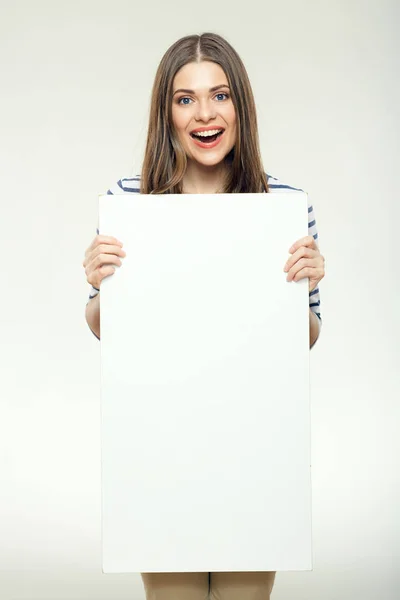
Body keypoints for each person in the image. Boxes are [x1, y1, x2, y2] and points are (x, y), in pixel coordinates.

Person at [83, 32, 325, 600]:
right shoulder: (128, 199)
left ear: (240, 106)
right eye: (184, 99)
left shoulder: (285, 202)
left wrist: (305, 285)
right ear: (166, 114)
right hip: (160, 443)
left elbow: (307, 337)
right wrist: (98, 284)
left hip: (256, 445)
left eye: (220, 95)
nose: (205, 113)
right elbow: (103, 328)